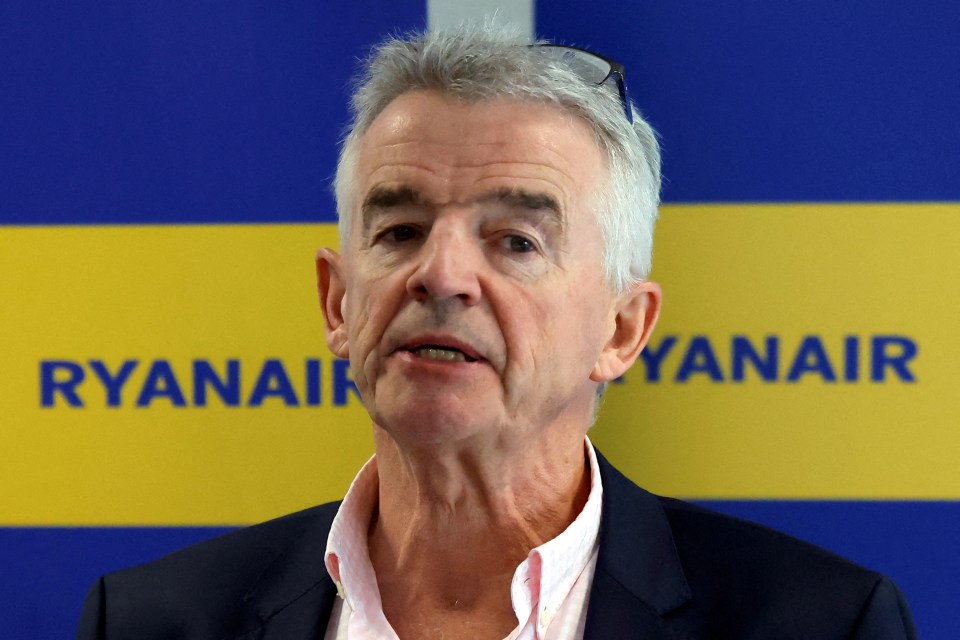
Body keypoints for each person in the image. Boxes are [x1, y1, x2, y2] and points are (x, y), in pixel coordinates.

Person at [77, 24, 917, 640]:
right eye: (399, 230)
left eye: (515, 241)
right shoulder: (151, 622)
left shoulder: (820, 623)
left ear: (623, 330)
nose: (440, 275)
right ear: (338, 303)